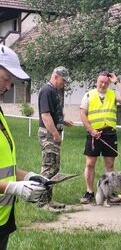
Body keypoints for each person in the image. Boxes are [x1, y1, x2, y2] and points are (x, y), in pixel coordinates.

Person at [0, 46, 48, 250]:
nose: (10, 85)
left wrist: (27, 176)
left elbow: (5, 166)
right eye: (7, 78)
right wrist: (14, 188)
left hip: (3, 217)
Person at [80, 71, 121, 204]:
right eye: (101, 82)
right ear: (96, 81)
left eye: (106, 83)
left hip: (110, 134)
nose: (103, 84)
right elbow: (82, 114)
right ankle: (89, 192)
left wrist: (116, 82)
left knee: (110, 165)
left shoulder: (112, 94)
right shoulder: (89, 95)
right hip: (93, 134)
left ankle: (110, 192)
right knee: (90, 164)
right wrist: (91, 131)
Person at [38, 66, 74, 210]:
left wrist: (63, 121)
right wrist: (55, 134)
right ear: (56, 76)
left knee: (54, 168)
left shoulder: (53, 91)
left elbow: (52, 113)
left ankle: (49, 200)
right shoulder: (46, 91)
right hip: (48, 134)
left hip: (52, 132)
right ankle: (41, 203)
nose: (64, 83)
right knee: (48, 168)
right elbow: (45, 115)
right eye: (63, 80)